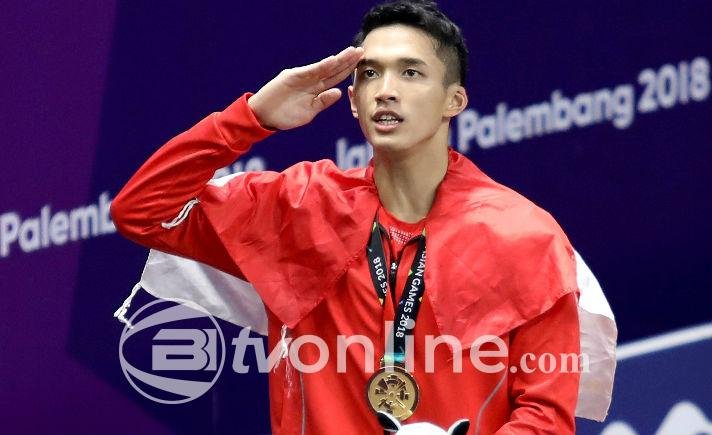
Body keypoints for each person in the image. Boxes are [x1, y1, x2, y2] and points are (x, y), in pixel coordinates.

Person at [112, 1, 615, 433]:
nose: (385, 90)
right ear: (352, 101)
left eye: (410, 72)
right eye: (370, 73)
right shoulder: (299, 207)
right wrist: (251, 119)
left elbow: (546, 415)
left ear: (454, 101)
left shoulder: (522, 235)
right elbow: (141, 212)